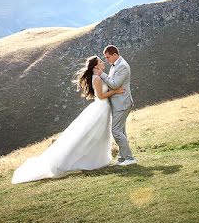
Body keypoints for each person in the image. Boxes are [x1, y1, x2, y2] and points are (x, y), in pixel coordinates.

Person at [11, 54, 126, 183]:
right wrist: (116, 92)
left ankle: (95, 160)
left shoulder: (98, 77)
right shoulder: (97, 79)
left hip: (103, 109)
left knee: (99, 135)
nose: (103, 61)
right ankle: (80, 162)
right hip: (101, 109)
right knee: (91, 135)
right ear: (95, 65)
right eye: (100, 61)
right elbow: (100, 96)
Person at [100, 45, 136, 165]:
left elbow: (115, 85)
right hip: (118, 104)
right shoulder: (115, 65)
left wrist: (101, 74)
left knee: (115, 131)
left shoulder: (122, 66)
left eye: (108, 57)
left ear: (115, 54)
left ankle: (129, 158)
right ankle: (122, 158)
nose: (107, 59)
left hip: (122, 103)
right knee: (121, 131)